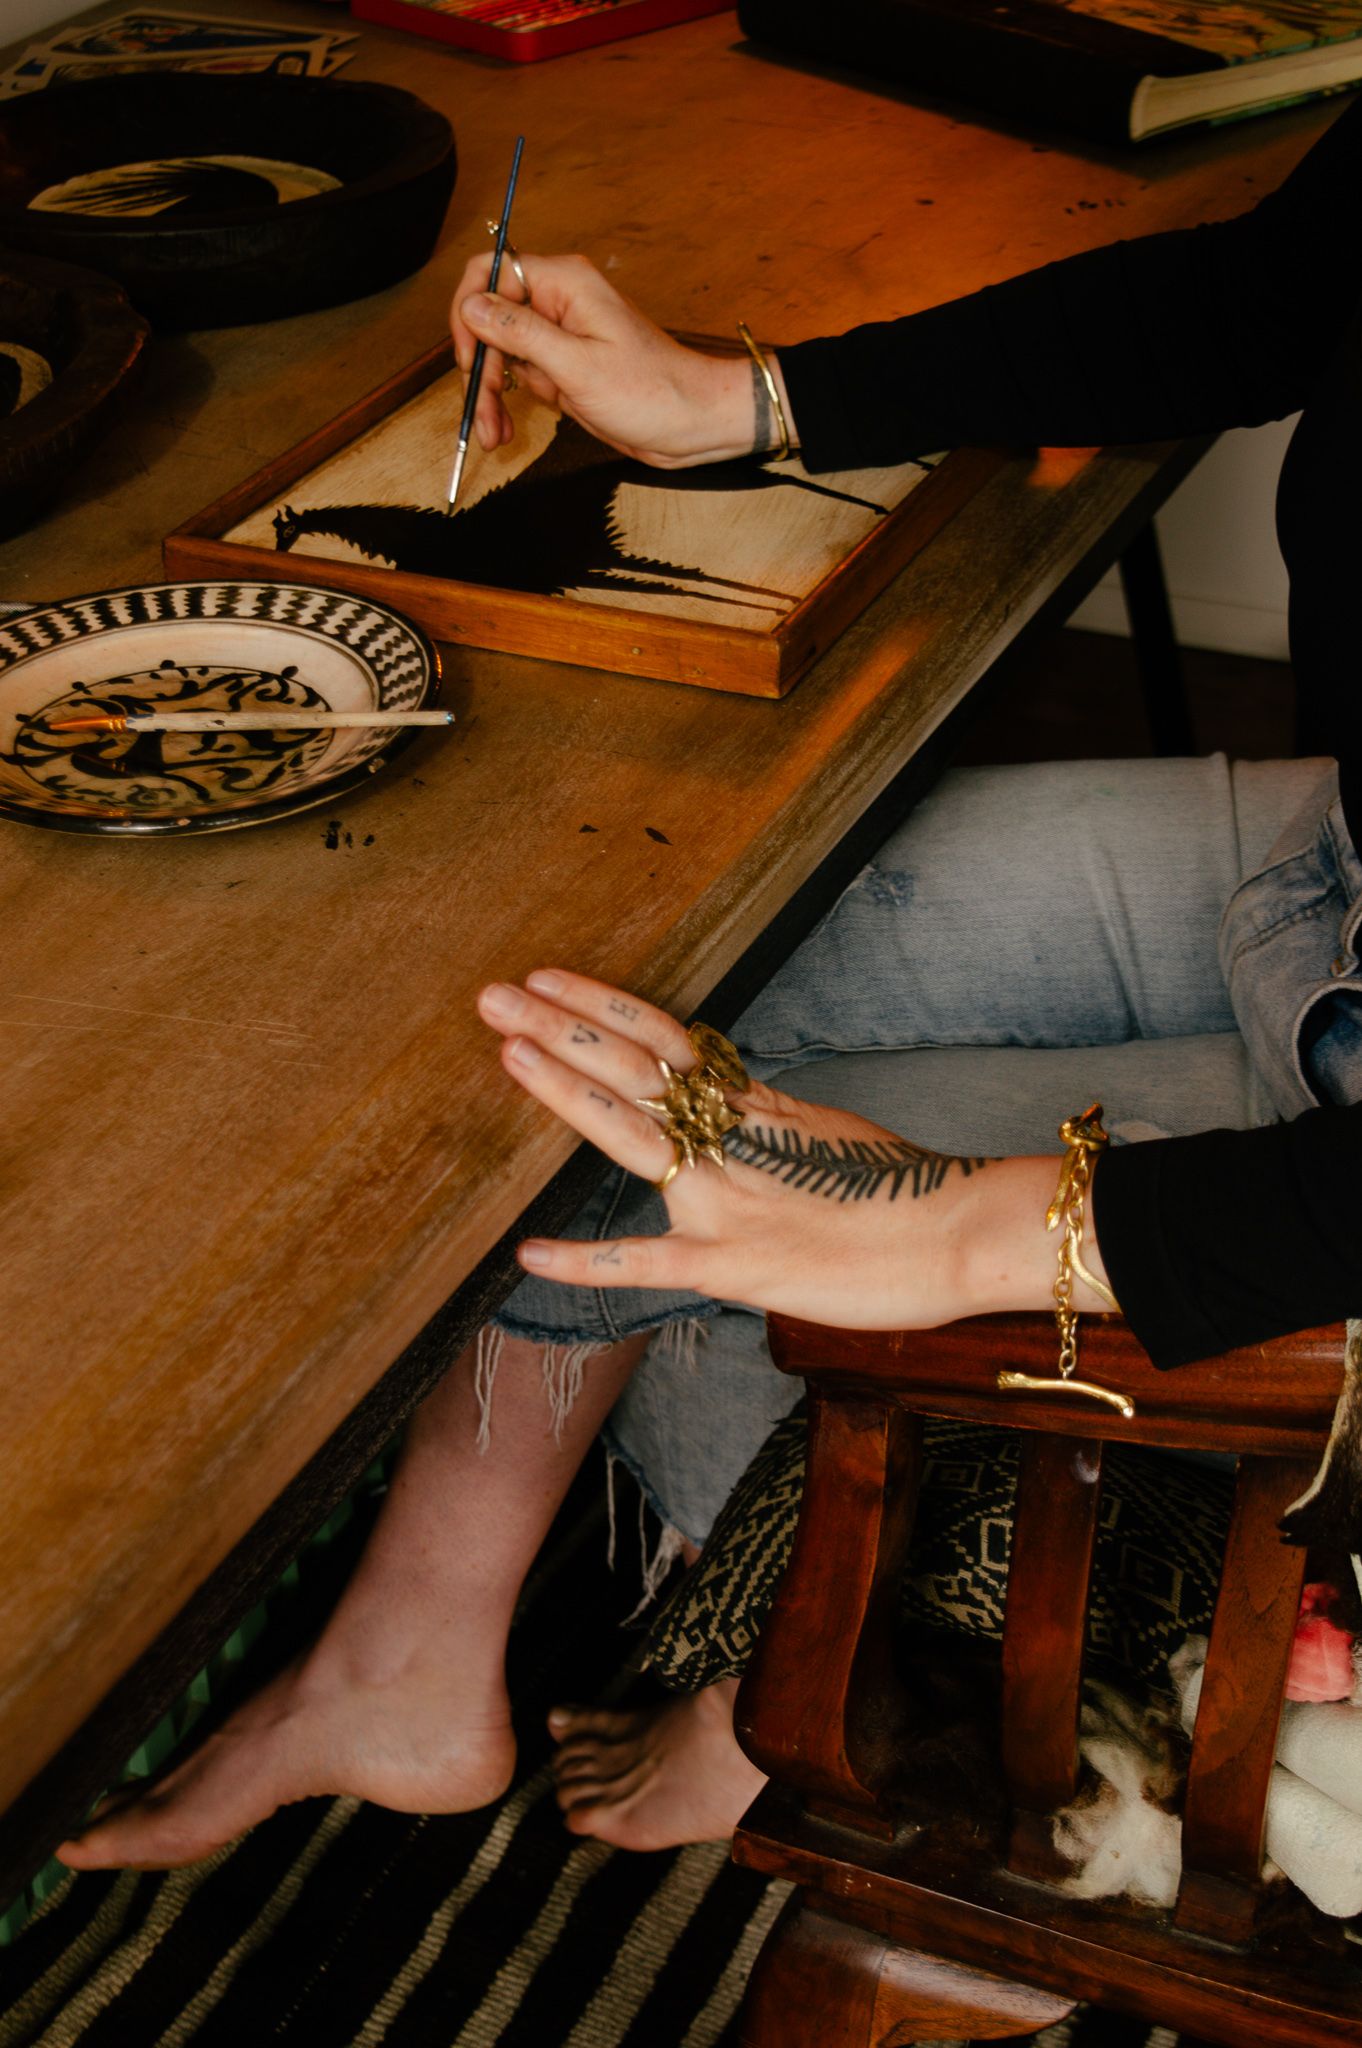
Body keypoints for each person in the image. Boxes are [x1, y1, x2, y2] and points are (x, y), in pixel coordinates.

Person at [59, 95, 1362, 1872]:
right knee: (664, 992)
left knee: (675, 1156)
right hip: (1331, 886)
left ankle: (795, 1678)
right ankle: (409, 1662)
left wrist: (970, 1231)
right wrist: (745, 395)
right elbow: (1280, 290)